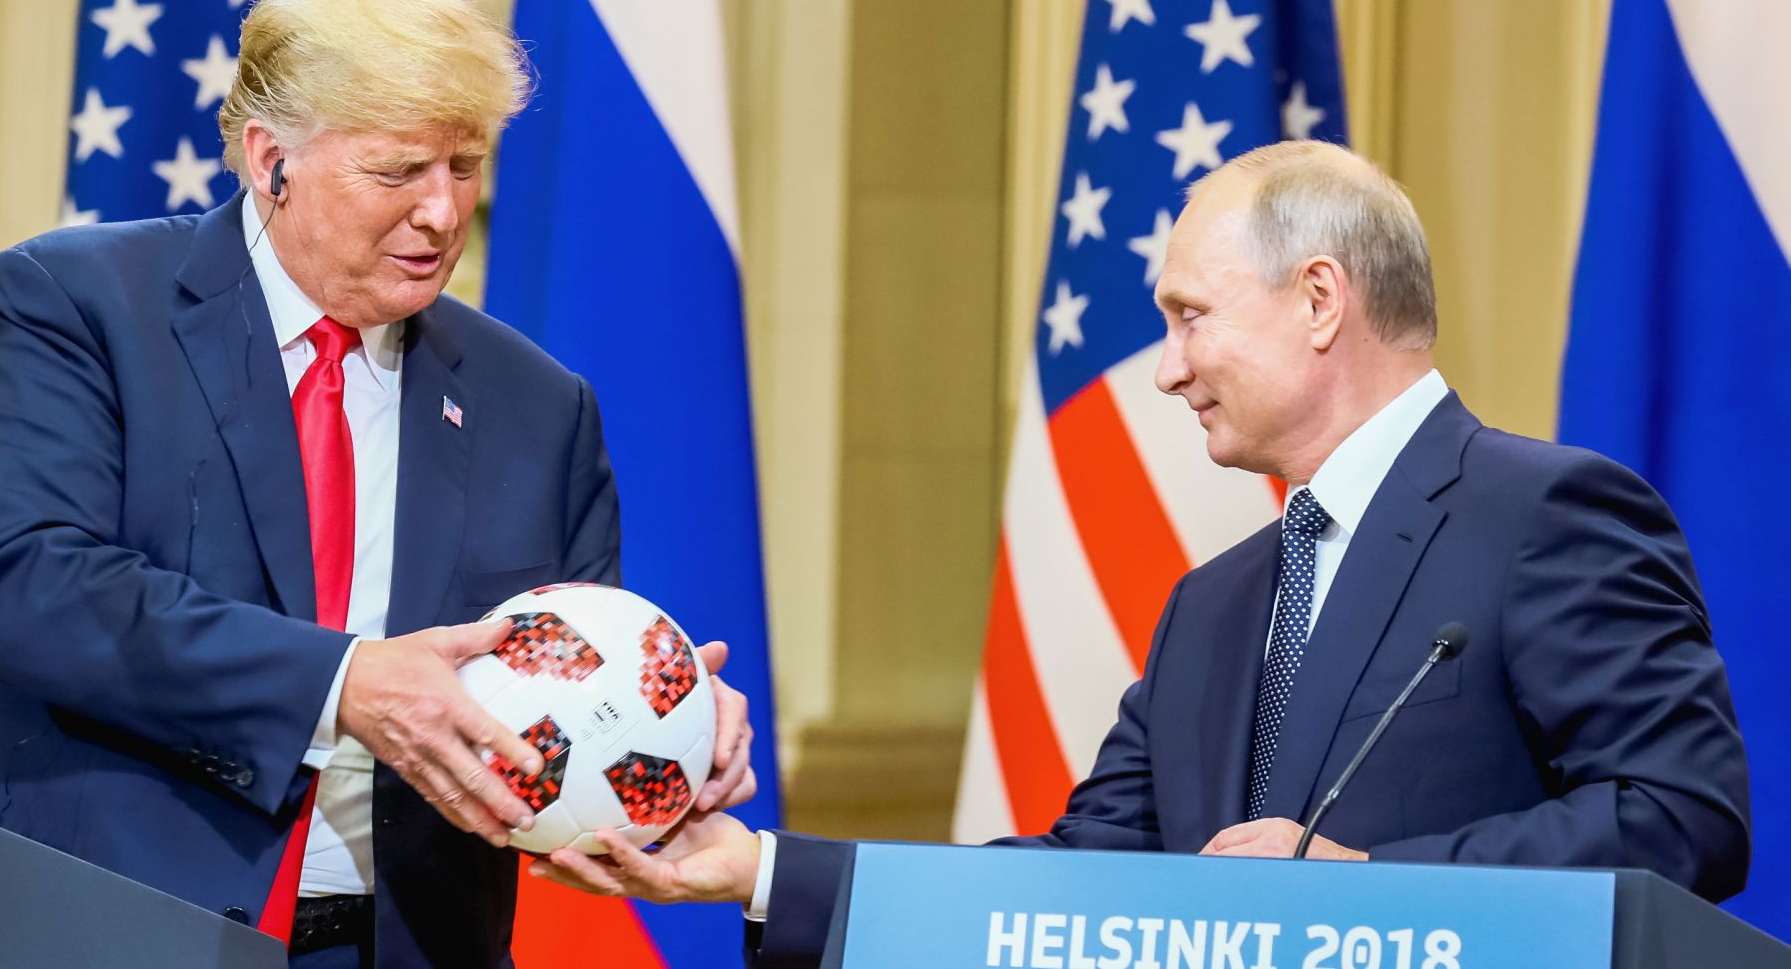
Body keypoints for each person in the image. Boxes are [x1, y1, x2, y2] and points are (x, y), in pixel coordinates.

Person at [526, 141, 1753, 967]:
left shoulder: (1548, 512)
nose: (1166, 367)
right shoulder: (1212, 608)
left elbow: (1684, 818)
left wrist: (1374, 883)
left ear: (1320, 300)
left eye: (1190, 316)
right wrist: (758, 871)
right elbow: (1071, 888)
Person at [0, 0, 755, 969]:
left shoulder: (537, 405)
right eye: (399, 170)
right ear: (269, 159)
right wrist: (342, 683)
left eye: (464, 165)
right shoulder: (77, 305)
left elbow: (562, 689)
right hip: (103, 930)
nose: (441, 212)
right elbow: (33, 586)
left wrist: (669, 738)